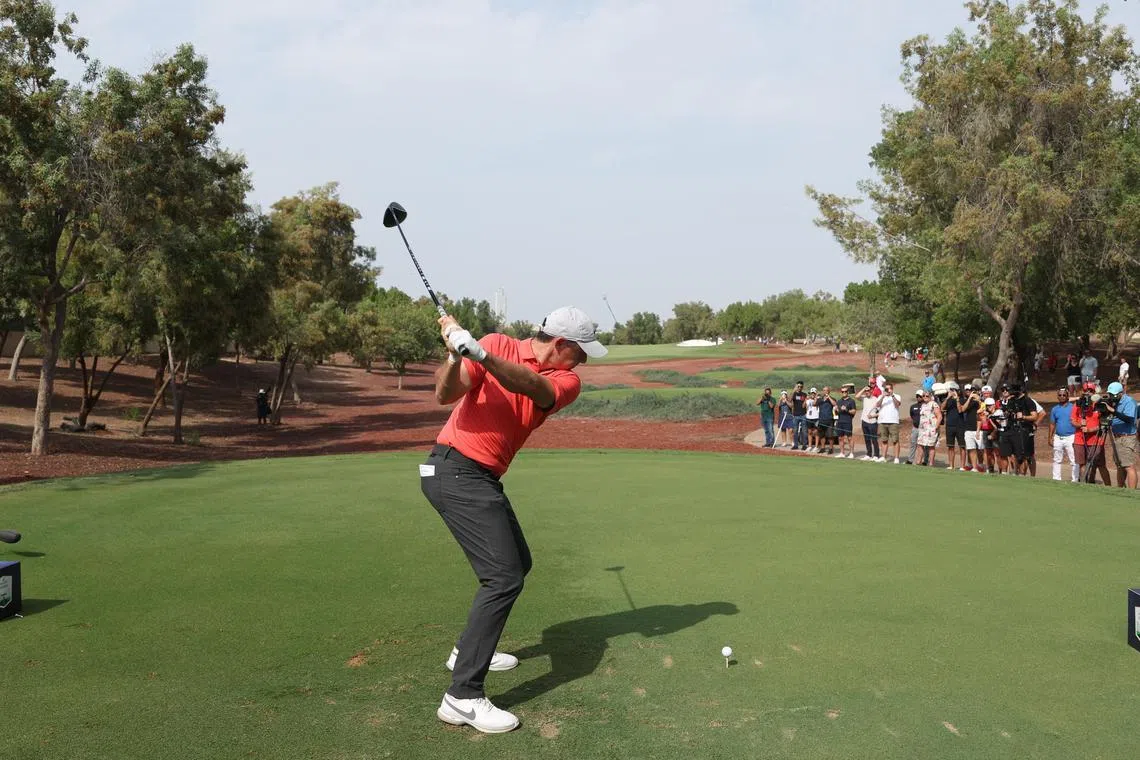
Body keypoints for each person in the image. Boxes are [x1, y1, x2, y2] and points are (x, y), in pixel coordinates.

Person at [422, 306, 605, 734]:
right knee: (503, 578)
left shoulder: (565, 380)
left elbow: (530, 385)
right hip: (454, 470)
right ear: (561, 344)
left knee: (517, 564)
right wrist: (455, 356)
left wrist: (480, 355)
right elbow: (444, 395)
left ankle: (464, 650)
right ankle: (462, 696)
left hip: (480, 476)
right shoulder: (497, 343)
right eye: (581, 352)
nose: (584, 361)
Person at [1072, 382, 1111, 485]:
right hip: (1080, 439)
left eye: (1091, 391)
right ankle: (1084, 485)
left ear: (1094, 392)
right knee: (1082, 464)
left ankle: (1109, 486)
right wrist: (1080, 425)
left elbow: (1104, 424)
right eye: (1085, 391)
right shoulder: (1078, 404)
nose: (1088, 393)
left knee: (1099, 464)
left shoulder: (1099, 404)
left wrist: (1090, 430)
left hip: (1096, 440)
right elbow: (1072, 421)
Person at [1102, 381, 1138, 489]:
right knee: (1120, 466)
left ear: (1121, 393)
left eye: (1114, 395)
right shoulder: (1115, 402)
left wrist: (1112, 410)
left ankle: (1132, 492)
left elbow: (1129, 418)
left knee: (1128, 466)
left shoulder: (1129, 401)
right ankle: (1120, 488)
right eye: (1110, 394)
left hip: (1126, 437)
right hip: (1117, 437)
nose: (1112, 397)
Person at [1049, 387, 1079, 483]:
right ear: (1057, 396)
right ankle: (1056, 479)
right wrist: (1050, 437)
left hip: (1071, 437)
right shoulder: (1055, 409)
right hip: (1058, 437)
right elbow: (1052, 424)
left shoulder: (1073, 407)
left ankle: (1075, 480)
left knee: (1074, 460)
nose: (1062, 397)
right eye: (1060, 395)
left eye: (1064, 395)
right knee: (1057, 459)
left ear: (1067, 396)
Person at [874, 382, 903, 463]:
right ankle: (883, 457)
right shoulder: (881, 396)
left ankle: (896, 458)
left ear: (892, 389)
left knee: (895, 440)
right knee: (884, 440)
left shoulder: (897, 396)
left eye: (889, 388)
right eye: (886, 389)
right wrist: (883, 396)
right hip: (882, 421)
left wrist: (892, 395)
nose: (887, 390)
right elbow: (878, 405)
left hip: (893, 421)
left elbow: (897, 404)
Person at [854, 384, 881, 461]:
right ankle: (869, 454)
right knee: (867, 439)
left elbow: (881, 412)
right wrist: (863, 388)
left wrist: (873, 416)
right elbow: (856, 396)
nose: (867, 392)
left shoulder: (876, 399)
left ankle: (876, 455)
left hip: (873, 422)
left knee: (874, 439)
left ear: (871, 391)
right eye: (866, 391)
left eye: (868, 390)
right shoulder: (864, 398)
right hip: (864, 421)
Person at [916, 390, 942, 465]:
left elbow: (939, 416)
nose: (924, 397)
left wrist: (936, 427)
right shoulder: (923, 405)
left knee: (931, 446)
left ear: (930, 396)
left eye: (927, 396)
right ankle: (918, 461)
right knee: (920, 444)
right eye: (923, 396)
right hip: (922, 429)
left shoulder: (934, 404)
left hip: (931, 429)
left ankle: (931, 463)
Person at [835, 385, 857, 459]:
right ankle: (842, 453)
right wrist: (836, 410)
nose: (844, 393)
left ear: (847, 392)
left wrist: (847, 410)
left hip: (847, 421)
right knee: (840, 438)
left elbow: (854, 412)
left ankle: (851, 453)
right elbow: (837, 412)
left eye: (845, 391)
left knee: (849, 438)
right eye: (842, 391)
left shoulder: (851, 401)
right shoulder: (839, 401)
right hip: (840, 421)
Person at [816, 386, 837, 455]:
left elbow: (834, 404)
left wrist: (829, 397)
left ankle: (831, 448)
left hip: (829, 420)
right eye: (824, 390)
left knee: (830, 436)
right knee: (822, 435)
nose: (825, 392)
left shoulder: (832, 399)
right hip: (821, 420)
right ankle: (822, 448)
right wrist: (816, 397)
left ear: (829, 391)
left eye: (826, 390)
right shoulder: (820, 399)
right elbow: (814, 404)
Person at [905, 389, 923, 464]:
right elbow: (912, 415)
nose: (918, 397)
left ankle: (922, 461)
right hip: (915, 428)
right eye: (917, 396)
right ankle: (910, 460)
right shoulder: (913, 406)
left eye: (920, 396)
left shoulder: (926, 406)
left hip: (923, 429)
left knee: (922, 445)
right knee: (913, 444)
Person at [790, 381, 809, 451]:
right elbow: (789, 399)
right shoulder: (794, 394)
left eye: (801, 386)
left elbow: (805, 405)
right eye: (798, 386)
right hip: (795, 415)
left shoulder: (804, 394)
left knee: (804, 431)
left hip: (803, 414)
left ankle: (804, 445)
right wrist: (794, 390)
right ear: (796, 386)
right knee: (795, 431)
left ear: (802, 387)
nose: (799, 388)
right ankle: (795, 445)